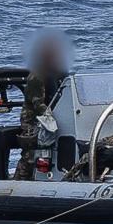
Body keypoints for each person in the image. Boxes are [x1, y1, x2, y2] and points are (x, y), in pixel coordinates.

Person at [14, 29, 69, 180]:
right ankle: (19, 182)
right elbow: (38, 105)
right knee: (30, 155)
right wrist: (51, 117)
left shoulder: (60, 74)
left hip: (52, 117)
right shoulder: (36, 77)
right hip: (34, 121)